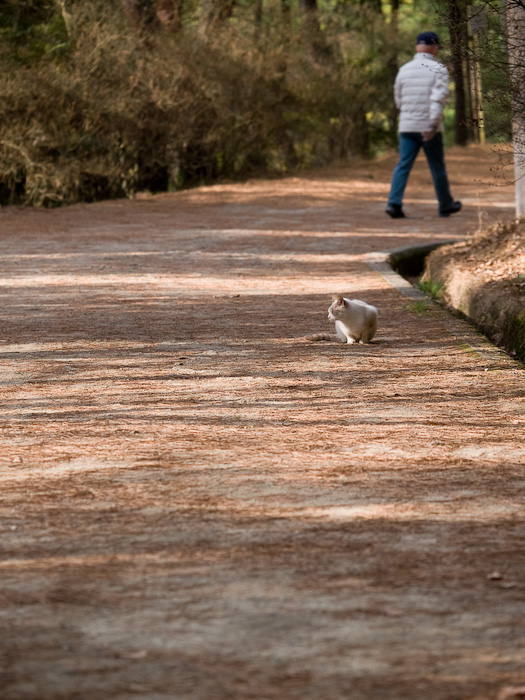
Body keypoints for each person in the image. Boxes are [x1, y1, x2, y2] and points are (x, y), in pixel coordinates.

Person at [386, 31, 462, 219]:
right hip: (429, 127)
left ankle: (394, 203)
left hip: (407, 125)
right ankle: (445, 205)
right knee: (437, 167)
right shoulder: (438, 69)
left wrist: (408, 117)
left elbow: (398, 99)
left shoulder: (404, 69)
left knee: (403, 165)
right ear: (434, 48)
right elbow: (438, 99)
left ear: (417, 47)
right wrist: (432, 125)